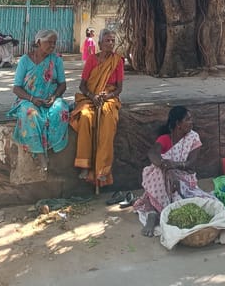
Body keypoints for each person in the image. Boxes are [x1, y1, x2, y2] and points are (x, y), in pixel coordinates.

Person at [133, 106, 205, 237]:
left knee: (201, 203)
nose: (191, 122)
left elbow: (191, 165)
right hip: (164, 180)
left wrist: (173, 165)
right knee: (157, 171)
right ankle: (154, 213)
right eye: (188, 120)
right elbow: (153, 154)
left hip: (185, 179)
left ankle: (157, 212)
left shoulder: (193, 138)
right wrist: (168, 168)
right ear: (178, 124)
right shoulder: (165, 139)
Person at [7, 29, 69, 171]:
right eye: (49, 42)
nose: (52, 45)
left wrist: (54, 97)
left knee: (61, 110)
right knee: (30, 113)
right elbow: (16, 88)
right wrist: (32, 98)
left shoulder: (56, 60)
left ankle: (53, 147)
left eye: (54, 42)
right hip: (28, 100)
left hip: (50, 99)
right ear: (38, 42)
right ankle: (39, 154)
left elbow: (62, 84)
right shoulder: (25, 60)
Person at [70, 29, 123, 190]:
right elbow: (82, 86)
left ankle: (103, 169)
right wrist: (93, 96)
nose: (111, 44)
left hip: (109, 97)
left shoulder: (118, 61)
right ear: (100, 44)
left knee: (107, 119)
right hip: (90, 96)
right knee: (85, 116)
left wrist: (107, 96)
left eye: (113, 41)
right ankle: (85, 165)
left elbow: (119, 88)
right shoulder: (92, 60)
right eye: (107, 40)